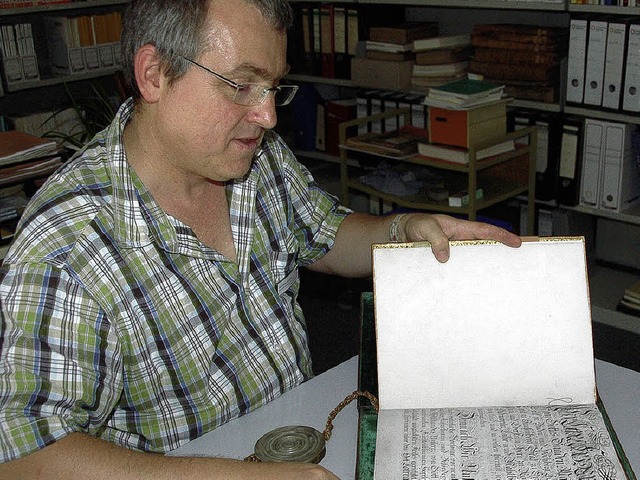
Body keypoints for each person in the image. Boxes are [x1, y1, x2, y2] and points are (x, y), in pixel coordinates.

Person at [0, 0, 521, 478]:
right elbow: (25, 456)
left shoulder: (250, 156)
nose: (267, 116)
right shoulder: (66, 245)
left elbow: (325, 233)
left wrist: (399, 230)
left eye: (272, 86)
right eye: (240, 85)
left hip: (307, 437)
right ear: (154, 74)